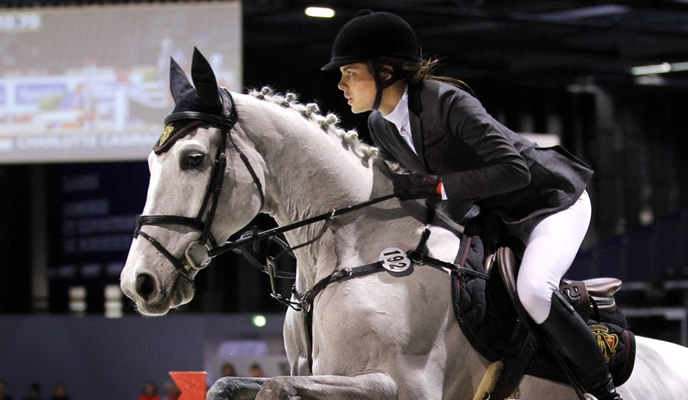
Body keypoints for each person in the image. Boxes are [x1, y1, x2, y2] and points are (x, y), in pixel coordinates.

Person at [322, 10, 620, 400]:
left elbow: (515, 171)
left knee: (534, 290)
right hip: (495, 218)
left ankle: (603, 390)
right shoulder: (380, 123)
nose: (342, 85)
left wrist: (438, 185)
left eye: (350, 73)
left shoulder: (447, 102)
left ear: (386, 71)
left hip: (548, 204)